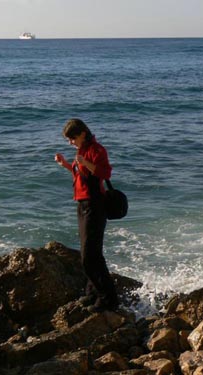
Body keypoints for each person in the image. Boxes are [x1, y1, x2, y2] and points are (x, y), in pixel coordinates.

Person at [55, 118, 119, 312]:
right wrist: (66, 164)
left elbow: (105, 173)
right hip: (82, 204)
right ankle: (92, 293)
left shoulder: (97, 150)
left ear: (82, 133)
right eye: (68, 140)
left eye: (72, 138)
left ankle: (108, 299)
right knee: (88, 252)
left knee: (90, 256)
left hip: (95, 205)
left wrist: (86, 163)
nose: (70, 142)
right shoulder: (81, 151)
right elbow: (80, 176)